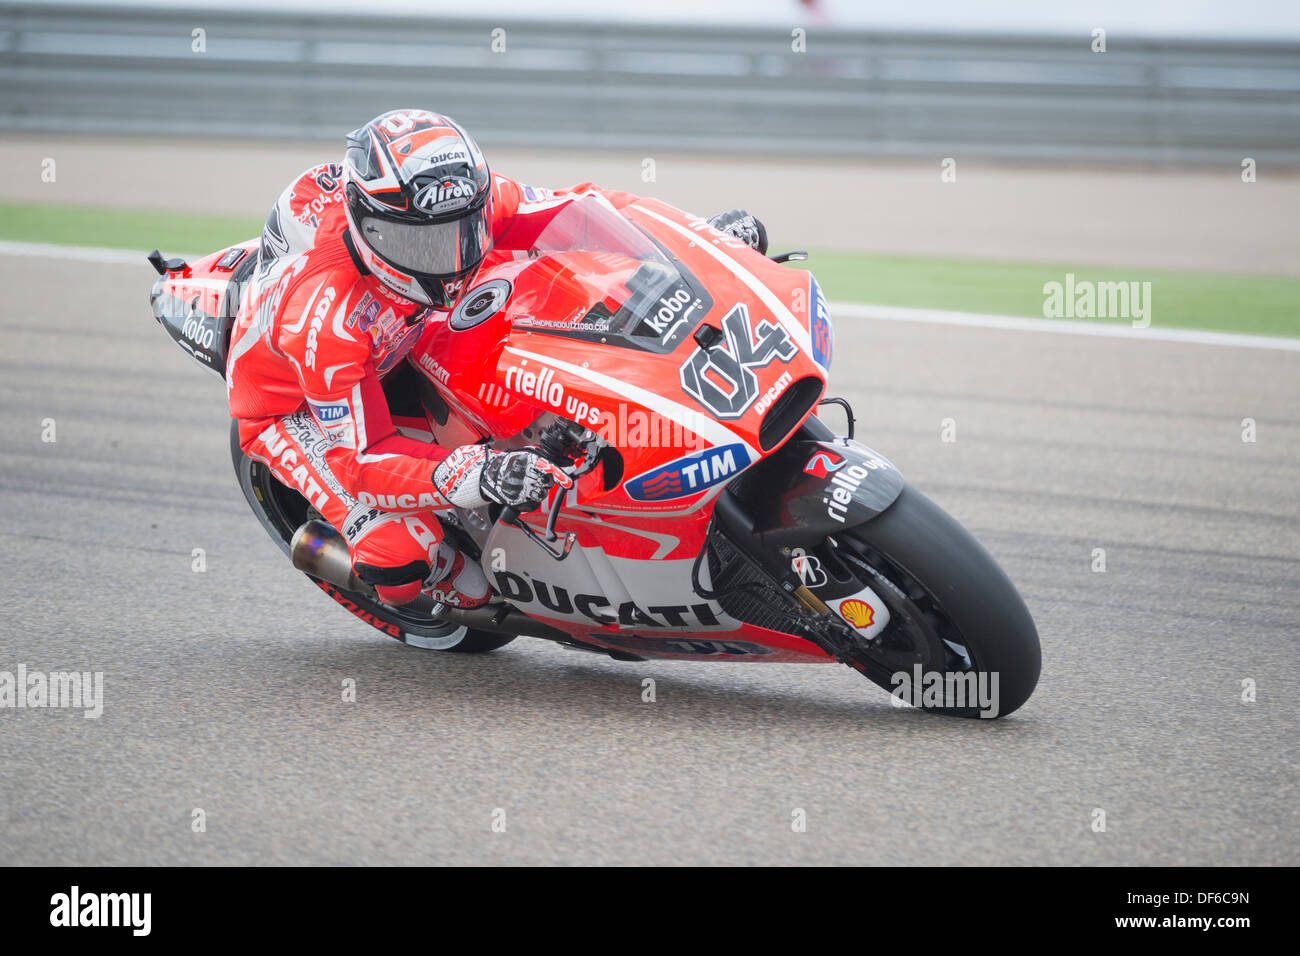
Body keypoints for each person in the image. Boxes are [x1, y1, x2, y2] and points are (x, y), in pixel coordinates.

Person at [226, 108, 768, 609]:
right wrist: (473, 474)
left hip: (410, 326)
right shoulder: (327, 323)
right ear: (368, 232)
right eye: (423, 246)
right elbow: (362, 460)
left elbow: (583, 212)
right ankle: (447, 582)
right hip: (297, 408)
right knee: (399, 560)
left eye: (463, 232)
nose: (452, 258)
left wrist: (697, 240)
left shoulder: (466, 201)